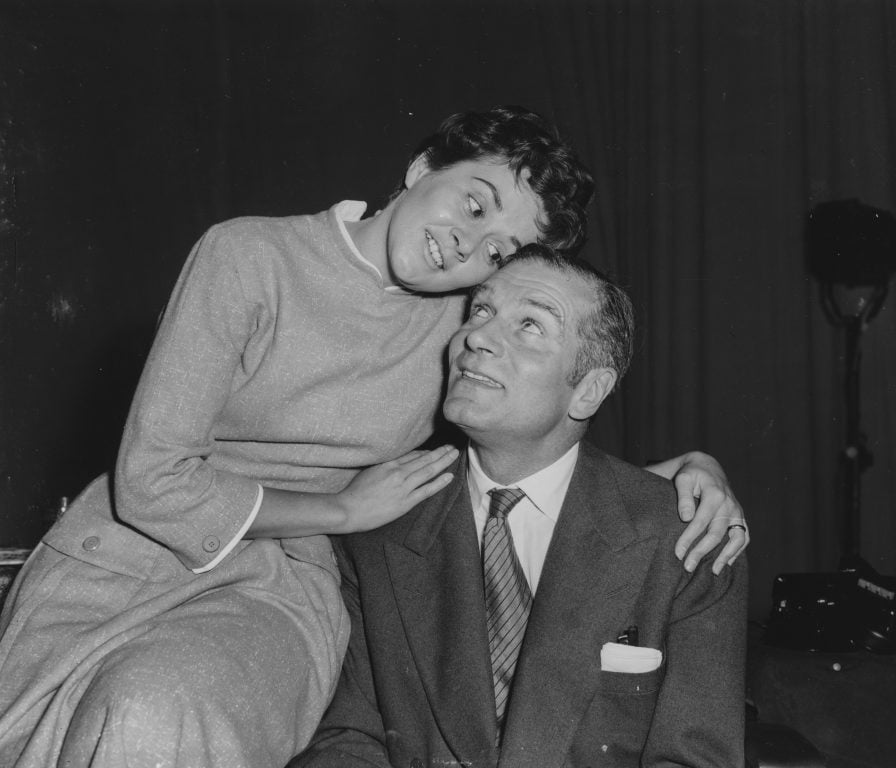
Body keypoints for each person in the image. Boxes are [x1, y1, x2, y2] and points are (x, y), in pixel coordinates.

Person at [0, 106, 747, 768]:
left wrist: (686, 467)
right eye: (475, 203)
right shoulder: (250, 255)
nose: (468, 249)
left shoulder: (465, 320)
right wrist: (341, 511)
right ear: (422, 168)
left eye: (499, 251)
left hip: (282, 589)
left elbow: (523, 454)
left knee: (156, 707)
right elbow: (153, 480)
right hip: (129, 557)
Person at [290, 246, 748, 768]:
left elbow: (694, 758)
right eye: (481, 311)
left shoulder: (688, 536)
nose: (475, 337)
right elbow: (349, 738)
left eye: (529, 324)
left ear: (589, 391)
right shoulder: (379, 522)